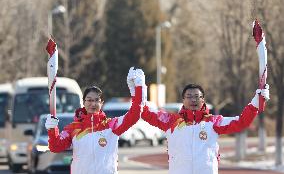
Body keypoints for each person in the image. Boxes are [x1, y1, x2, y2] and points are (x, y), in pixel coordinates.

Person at [137, 83, 269, 174]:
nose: (193, 100)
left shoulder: (214, 122)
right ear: (183, 100)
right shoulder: (171, 121)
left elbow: (241, 122)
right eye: (189, 97)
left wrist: (255, 103)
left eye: (197, 96)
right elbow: (145, 113)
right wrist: (138, 89)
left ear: (203, 99)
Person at [45, 67, 145, 174]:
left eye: (97, 100)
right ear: (83, 102)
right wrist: (52, 129)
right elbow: (55, 147)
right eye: (89, 100)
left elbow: (134, 114)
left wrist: (137, 88)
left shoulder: (112, 125)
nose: (93, 104)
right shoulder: (73, 128)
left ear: (102, 103)